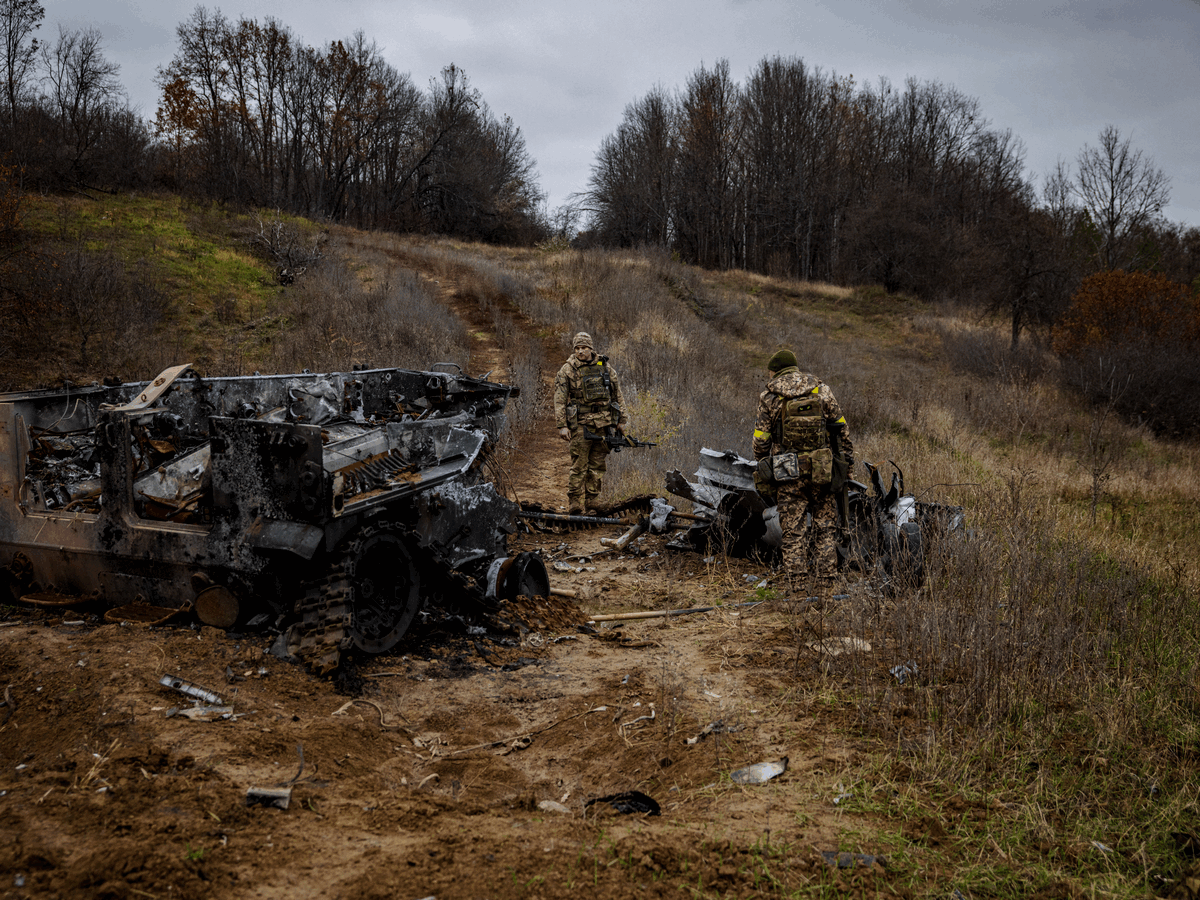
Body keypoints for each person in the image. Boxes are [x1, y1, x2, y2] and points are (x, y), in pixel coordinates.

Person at [752, 349, 855, 597]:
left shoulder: (769, 396)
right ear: (795, 368)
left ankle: (798, 589)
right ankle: (826, 586)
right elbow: (842, 431)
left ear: (775, 370)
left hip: (787, 473)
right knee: (825, 527)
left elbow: (760, 441)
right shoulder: (821, 389)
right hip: (821, 470)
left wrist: (765, 465)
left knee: (794, 532)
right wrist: (847, 467)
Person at [553, 331, 628, 515]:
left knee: (597, 464)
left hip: (603, 423)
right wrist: (562, 425)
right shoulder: (567, 370)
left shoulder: (605, 367)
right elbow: (559, 400)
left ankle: (592, 501)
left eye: (584, 348)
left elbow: (617, 394)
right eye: (577, 348)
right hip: (580, 424)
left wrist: (622, 420)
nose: (580, 352)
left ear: (591, 348)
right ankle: (575, 502)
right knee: (579, 464)